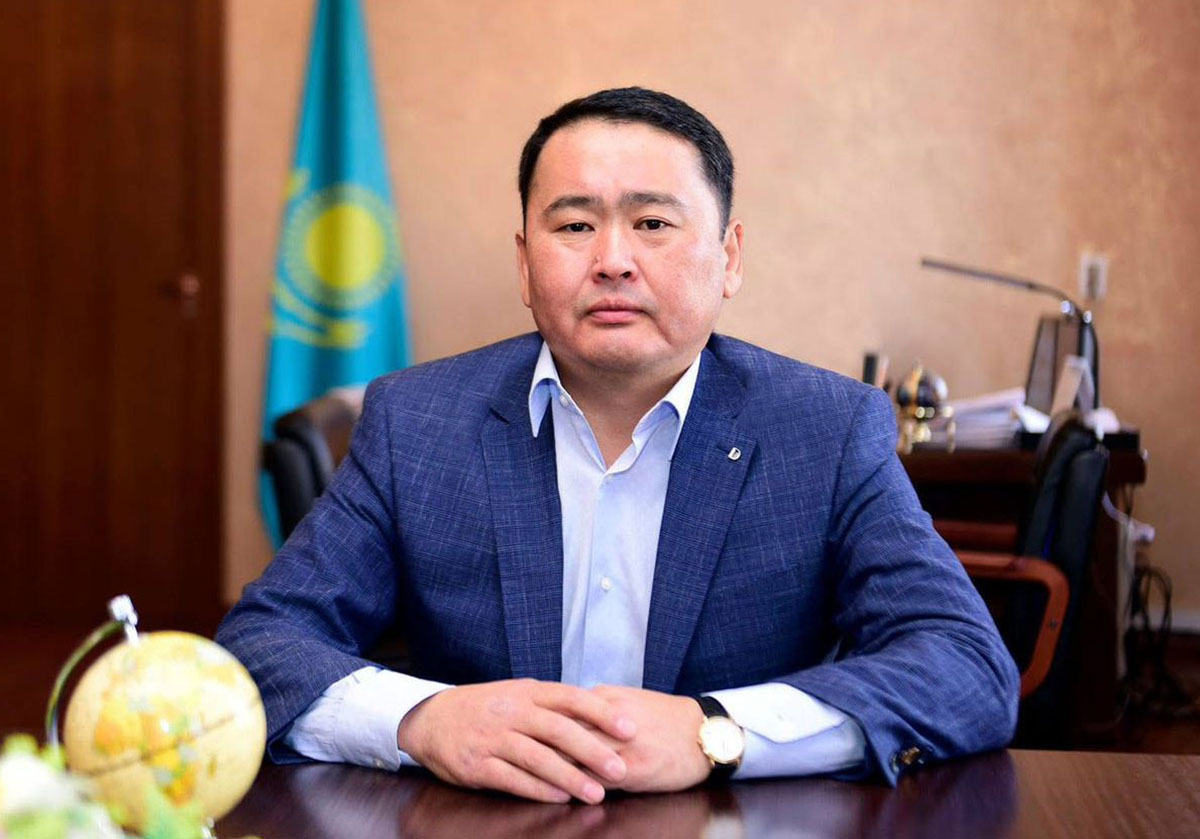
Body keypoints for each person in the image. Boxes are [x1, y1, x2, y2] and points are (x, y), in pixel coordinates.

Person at [217, 87, 1018, 805]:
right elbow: (258, 646)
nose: (612, 261)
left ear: (729, 257)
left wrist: (716, 732)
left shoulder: (827, 429)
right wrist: (422, 718)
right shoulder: (418, 421)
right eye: (574, 225)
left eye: (653, 223)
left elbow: (966, 665)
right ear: (525, 263)